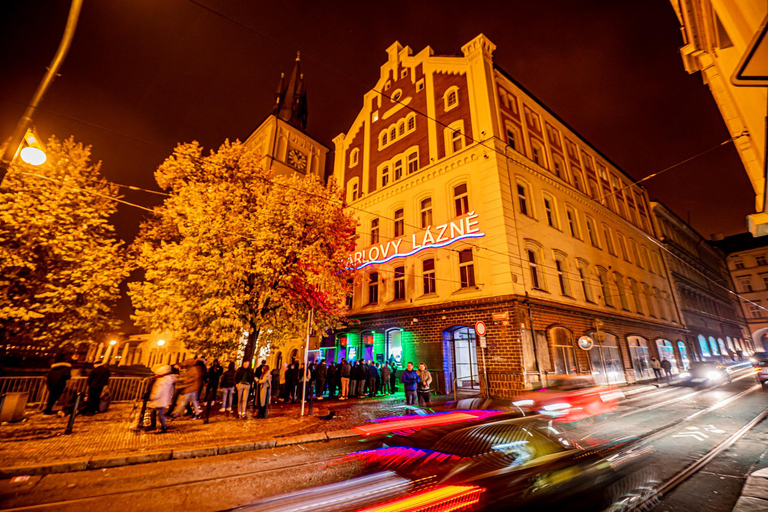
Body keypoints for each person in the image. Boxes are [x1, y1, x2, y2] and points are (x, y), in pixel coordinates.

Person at [146, 364, 177, 433]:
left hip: (158, 399)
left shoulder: (161, 381)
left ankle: (163, 426)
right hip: (163, 399)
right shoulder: (168, 379)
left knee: (160, 414)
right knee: (154, 411)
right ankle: (154, 425)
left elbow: (157, 391)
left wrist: (152, 397)